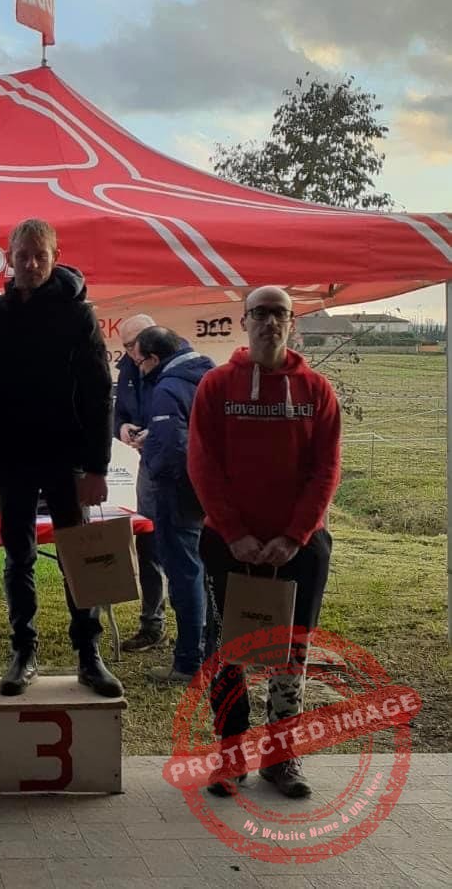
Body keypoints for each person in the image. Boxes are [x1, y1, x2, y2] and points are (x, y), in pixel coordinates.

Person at [0, 219, 123, 698]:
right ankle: (23, 650)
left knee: (76, 556)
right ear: (10, 258)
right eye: (23, 255)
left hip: (66, 458)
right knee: (17, 556)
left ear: (55, 258)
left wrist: (98, 467)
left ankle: (89, 654)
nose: (32, 263)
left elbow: (99, 394)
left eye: (41, 255)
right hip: (12, 457)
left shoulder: (78, 316)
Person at [188, 286, 340, 799]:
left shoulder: (316, 390)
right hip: (228, 546)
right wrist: (235, 533)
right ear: (244, 321)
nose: (270, 322)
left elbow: (326, 470)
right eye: (260, 313)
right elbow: (203, 465)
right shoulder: (216, 386)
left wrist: (295, 536)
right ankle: (231, 755)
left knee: (291, 651)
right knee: (228, 649)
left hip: (300, 549)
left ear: (292, 323)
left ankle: (281, 757)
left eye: (280, 314)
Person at [132, 326, 214, 686]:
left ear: (154, 358)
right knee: (206, 575)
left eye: (139, 362)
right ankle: (210, 654)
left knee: (184, 577)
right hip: (210, 494)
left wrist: (149, 451)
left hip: (177, 495)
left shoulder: (167, 387)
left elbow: (170, 452)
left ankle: (188, 662)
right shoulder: (211, 376)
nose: (139, 370)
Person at [113, 312, 168, 653]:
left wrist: (158, 434)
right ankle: (152, 625)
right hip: (148, 467)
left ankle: (202, 630)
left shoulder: (184, 368)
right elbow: (118, 413)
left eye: (135, 345)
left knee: (188, 550)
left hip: (182, 470)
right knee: (149, 544)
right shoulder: (129, 369)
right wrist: (122, 429)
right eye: (126, 346)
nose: (132, 353)